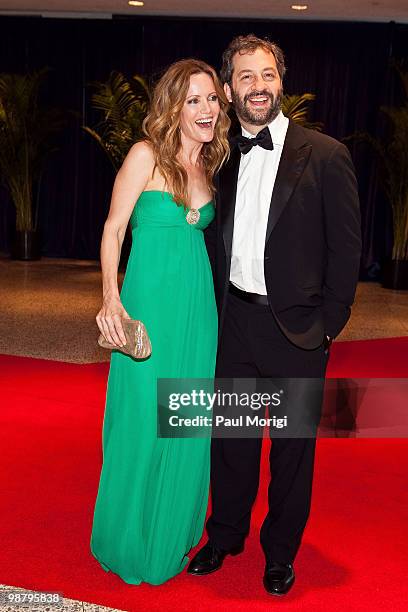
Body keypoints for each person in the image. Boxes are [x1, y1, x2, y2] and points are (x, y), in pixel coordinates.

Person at [187, 34, 362, 595]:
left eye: (266, 74)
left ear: (280, 81)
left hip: (300, 331)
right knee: (232, 440)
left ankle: (280, 552)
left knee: (292, 453)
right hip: (235, 321)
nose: (257, 86)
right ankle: (225, 535)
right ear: (229, 87)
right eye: (245, 76)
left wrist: (330, 323)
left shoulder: (327, 155)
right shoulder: (219, 155)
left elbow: (348, 249)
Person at [90, 58, 230, 585]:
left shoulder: (210, 165)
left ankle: (171, 531)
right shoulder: (145, 155)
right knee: (142, 421)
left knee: (187, 419)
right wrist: (111, 300)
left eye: (212, 98)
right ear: (173, 105)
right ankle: (126, 534)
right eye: (193, 99)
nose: (206, 108)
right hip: (148, 306)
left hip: (197, 312)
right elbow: (112, 229)